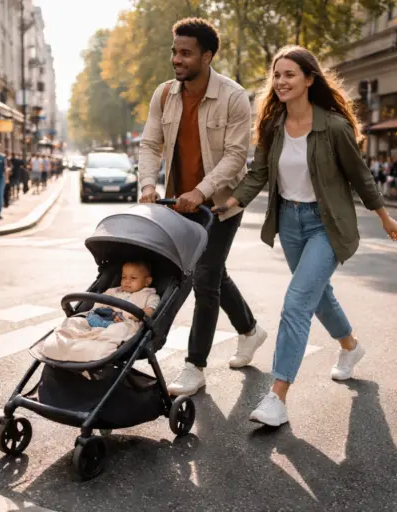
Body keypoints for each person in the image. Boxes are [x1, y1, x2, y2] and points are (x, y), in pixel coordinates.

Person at [216, 45, 397, 427]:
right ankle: (350, 347)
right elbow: (259, 174)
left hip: (326, 224)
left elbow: (359, 174)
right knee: (318, 295)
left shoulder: (332, 126)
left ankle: (277, 397)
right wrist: (231, 202)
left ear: (309, 79)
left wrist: (383, 215)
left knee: (297, 303)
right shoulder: (272, 125)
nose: (281, 82)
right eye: (277, 75)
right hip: (290, 223)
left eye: (289, 75)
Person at [138, 17, 267, 396]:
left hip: (220, 205)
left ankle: (195, 365)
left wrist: (201, 191)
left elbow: (235, 155)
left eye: (186, 53)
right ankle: (249, 329)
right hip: (178, 205)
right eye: (174, 51)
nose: (177, 59)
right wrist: (147, 182)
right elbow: (150, 144)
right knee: (213, 273)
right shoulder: (164, 95)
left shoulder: (233, 97)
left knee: (205, 277)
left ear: (207, 56)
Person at [32, 261, 161, 363]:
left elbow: (150, 311)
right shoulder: (114, 291)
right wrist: (101, 310)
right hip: (99, 318)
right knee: (75, 321)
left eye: (133, 277)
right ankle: (69, 338)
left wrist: (135, 314)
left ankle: (97, 342)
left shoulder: (149, 295)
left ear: (147, 281)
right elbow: (98, 303)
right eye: (124, 277)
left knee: (120, 329)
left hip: (125, 322)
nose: (127, 281)